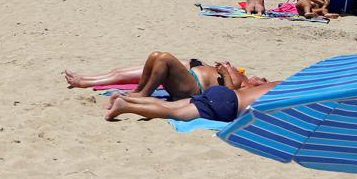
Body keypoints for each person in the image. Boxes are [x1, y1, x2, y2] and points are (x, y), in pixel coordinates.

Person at [64, 52, 261, 101]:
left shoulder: (248, 89)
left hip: (194, 85)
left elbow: (231, 98)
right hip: (192, 68)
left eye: (264, 81)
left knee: (163, 58)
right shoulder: (244, 77)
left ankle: (141, 95)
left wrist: (226, 73)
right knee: (154, 57)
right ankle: (85, 80)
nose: (263, 78)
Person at [104, 80, 280, 123]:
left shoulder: (281, 84)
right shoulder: (286, 97)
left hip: (222, 93)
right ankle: (124, 106)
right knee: (171, 113)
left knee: (168, 105)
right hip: (227, 105)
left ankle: (124, 98)